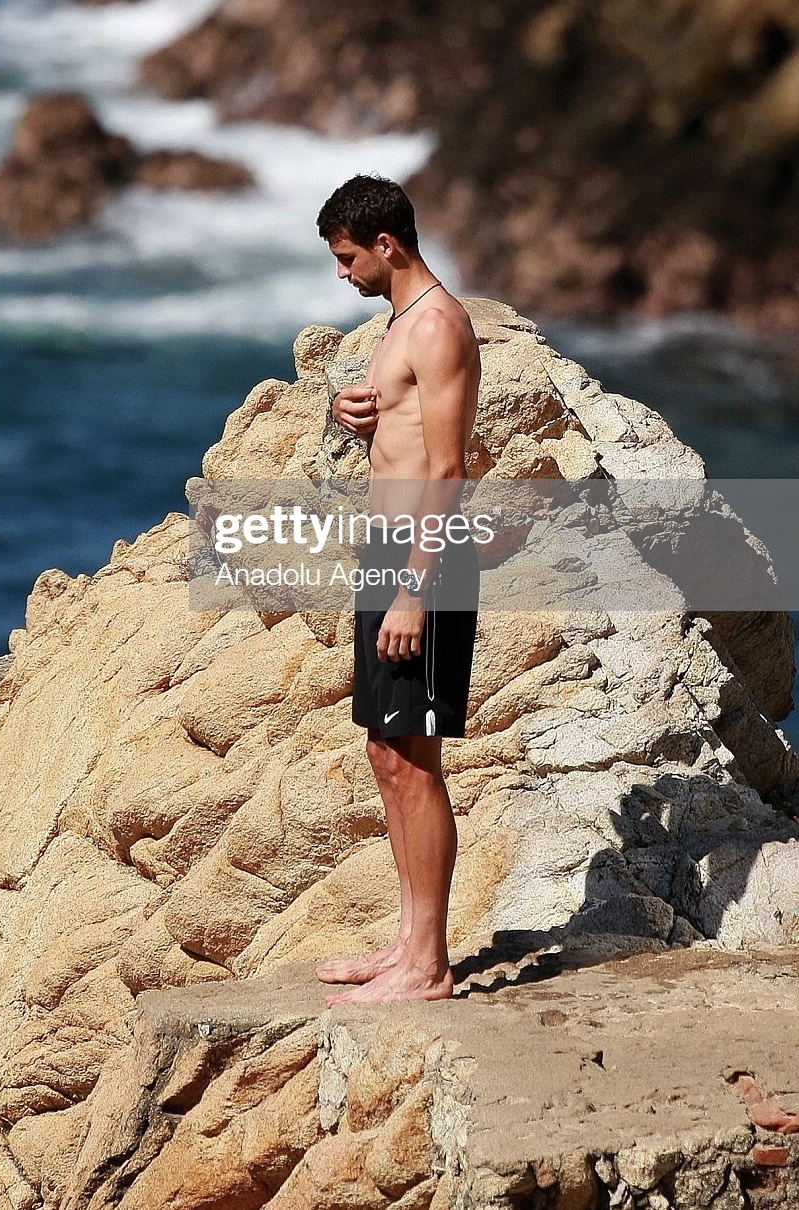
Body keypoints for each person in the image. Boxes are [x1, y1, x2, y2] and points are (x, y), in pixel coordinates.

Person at [314, 174, 481, 1005]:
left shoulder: (439, 325)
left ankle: (430, 966)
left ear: (387, 244)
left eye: (348, 258)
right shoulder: (398, 324)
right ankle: (408, 943)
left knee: (414, 760)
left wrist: (415, 592)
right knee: (386, 753)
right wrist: (349, 416)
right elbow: (404, 437)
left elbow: (447, 470)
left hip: (426, 560)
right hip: (388, 551)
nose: (342, 273)